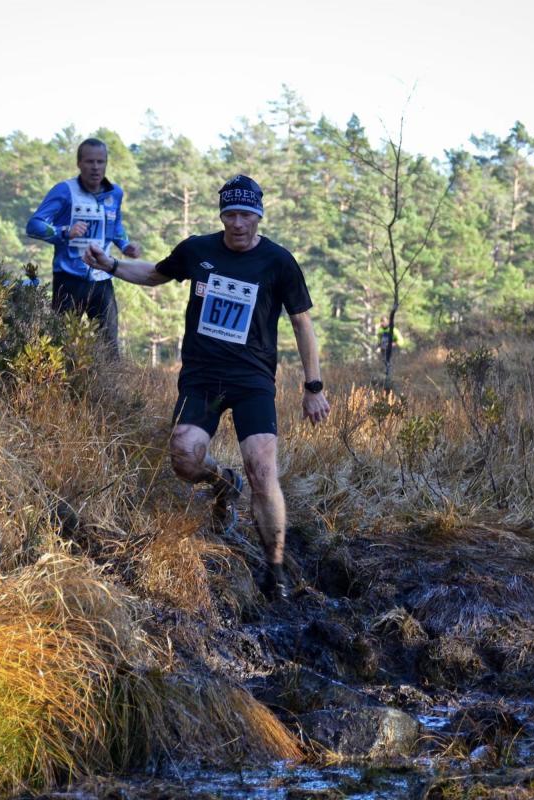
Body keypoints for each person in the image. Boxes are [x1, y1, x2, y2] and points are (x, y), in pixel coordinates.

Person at [84, 175, 330, 600]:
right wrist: (111, 266)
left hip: (252, 380)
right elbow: (155, 275)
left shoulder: (278, 261)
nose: (237, 223)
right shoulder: (197, 250)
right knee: (183, 456)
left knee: (263, 469)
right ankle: (223, 483)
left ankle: (274, 570)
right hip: (201, 377)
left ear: (259, 215)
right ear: (222, 215)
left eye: (246, 215)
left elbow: (302, 324)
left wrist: (313, 386)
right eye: (230, 214)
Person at [26, 138, 141, 352]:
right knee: (60, 344)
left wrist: (125, 245)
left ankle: (110, 385)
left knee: (109, 347)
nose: (95, 167)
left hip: (102, 279)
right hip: (69, 279)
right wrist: (64, 232)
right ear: (79, 163)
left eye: (100, 161)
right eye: (89, 162)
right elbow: (34, 225)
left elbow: (115, 226)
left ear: (106, 163)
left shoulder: (115, 193)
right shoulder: (64, 190)